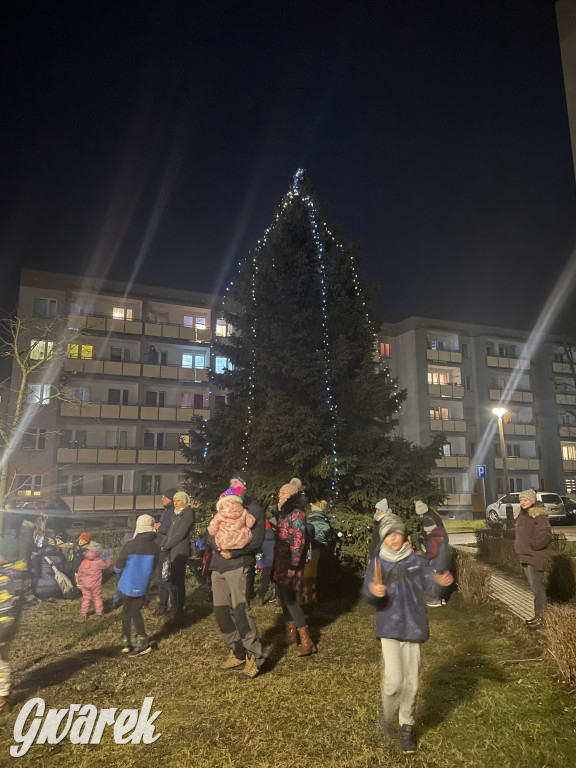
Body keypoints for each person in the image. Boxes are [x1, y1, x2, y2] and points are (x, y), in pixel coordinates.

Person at [363, 514, 453, 754]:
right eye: (389, 534)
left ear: (403, 536)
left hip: (413, 627)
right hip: (389, 628)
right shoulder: (377, 563)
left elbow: (430, 586)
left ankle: (406, 727)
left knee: (411, 685)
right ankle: (387, 716)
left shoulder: (417, 562)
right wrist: (374, 591)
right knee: (393, 682)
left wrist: (440, 583)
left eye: (397, 534)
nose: (394, 538)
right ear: (384, 537)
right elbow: (368, 594)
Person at [206, 473, 266, 680]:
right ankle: (237, 651)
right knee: (221, 611)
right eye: (232, 483)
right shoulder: (223, 505)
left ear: (246, 486)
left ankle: (254, 658)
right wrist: (219, 547)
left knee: (240, 610)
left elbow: (257, 541)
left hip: (238, 565)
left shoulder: (255, 510)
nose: (235, 486)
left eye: (239, 483)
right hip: (218, 565)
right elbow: (209, 533)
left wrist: (234, 553)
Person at [272, 480, 317, 656]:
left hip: (290, 562)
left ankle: (307, 640)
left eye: (282, 493)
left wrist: (293, 564)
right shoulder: (284, 513)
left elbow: (298, 541)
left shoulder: (297, 514)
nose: (279, 495)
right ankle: (291, 635)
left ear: (289, 496)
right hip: (280, 560)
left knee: (290, 599)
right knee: (283, 597)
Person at [0, 520, 36, 712]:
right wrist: (28, 528)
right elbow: (22, 552)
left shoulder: (8, 576)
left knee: (0, 663)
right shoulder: (15, 570)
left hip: (3, 625)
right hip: (8, 625)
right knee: (2, 659)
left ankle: (2, 700)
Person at [115, 515, 159, 656]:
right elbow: (155, 566)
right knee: (135, 610)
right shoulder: (155, 547)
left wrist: (117, 570)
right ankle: (135, 640)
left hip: (127, 582)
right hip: (143, 584)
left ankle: (130, 640)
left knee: (127, 611)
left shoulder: (130, 545)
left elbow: (120, 563)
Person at [513, 488, 552, 630]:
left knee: (538, 588)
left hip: (535, 557)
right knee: (534, 588)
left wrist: (532, 545)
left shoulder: (539, 515)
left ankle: (542, 618)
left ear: (532, 500)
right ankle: (537, 616)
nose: (523, 502)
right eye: (521, 500)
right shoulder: (522, 515)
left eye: (525, 500)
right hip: (524, 556)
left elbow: (547, 535)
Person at [160, 491, 195, 624]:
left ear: (184, 501)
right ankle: (175, 608)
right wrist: (163, 545)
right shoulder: (176, 514)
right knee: (172, 580)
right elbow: (170, 533)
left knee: (178, 582)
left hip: (179, 550)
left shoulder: (187, 513)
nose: (175, 503)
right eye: (174, 500)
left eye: (178, 500)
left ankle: (179, 611)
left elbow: (180, 534)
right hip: (171, 550)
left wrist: (167, 545)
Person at [414, 501, 450, 607]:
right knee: (441, 576)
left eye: (420, 514)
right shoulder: (438, 528)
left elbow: (432, 551)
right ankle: (442, 598)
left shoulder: (429, 521)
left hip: (436, 558)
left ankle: (437, 599)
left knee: (435, 578)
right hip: (441, 555)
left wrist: (424, 554)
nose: (420, 516)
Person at [154, 488, 177, 617]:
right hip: (162, 548)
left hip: (166, 550)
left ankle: (172, 607)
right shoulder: (167, 511)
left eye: (164, 496)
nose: (162, 498)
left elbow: (169, 530)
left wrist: (159, 527)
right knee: (161, 579)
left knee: (166, 579)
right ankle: (163, 605)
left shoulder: (171, 512)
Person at [77, 541, 112, 618]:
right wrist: (108, 559)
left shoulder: (83, 561)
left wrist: (79, 581)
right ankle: (99, 612)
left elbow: (80, 572)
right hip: (95, 584)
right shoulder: (99, 562)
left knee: (86, 598)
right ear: (97, 552)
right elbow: (106, 565)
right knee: (97, 597)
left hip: (85, 584)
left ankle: (84, 613)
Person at [29, 531, 68, 599]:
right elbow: (64, 571)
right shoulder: (59, 556)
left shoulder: (36, 557)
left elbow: (31, 572)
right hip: (55, 590)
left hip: (38, 590)